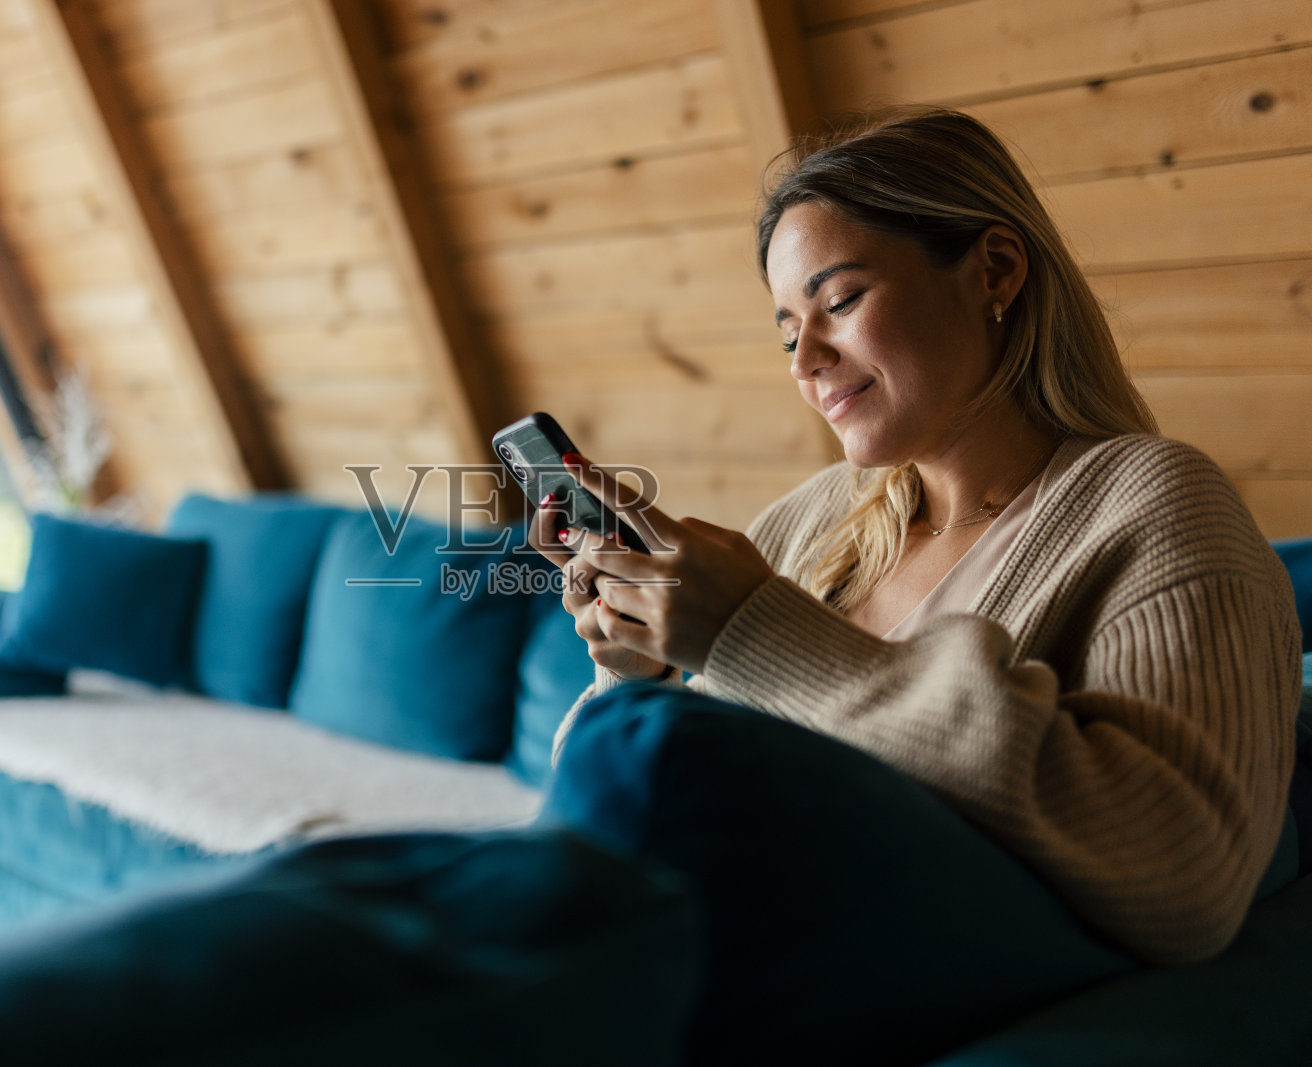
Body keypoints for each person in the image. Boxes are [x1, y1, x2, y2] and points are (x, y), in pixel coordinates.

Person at [532, 107, 1300, 967]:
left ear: (995, 271)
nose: (804, 359)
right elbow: (614, 819)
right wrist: (639, 669)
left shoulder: (1153, 506)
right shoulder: (805, 520)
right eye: (788, 330)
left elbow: (1188, 871)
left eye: (840, 301)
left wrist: (754, 631)